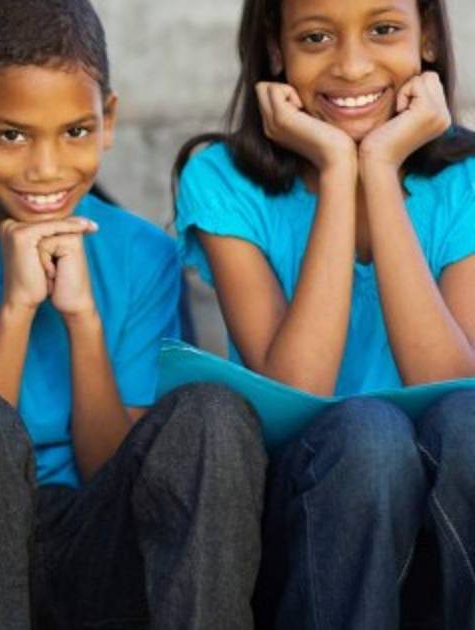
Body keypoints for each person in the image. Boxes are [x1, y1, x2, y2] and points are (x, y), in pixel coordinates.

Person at [0, 1, 268, 628]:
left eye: (76, 132)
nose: (47, 167)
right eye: (12, 135)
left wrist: (83, 319)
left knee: (213, 412)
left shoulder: (143, 253)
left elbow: (111, 467)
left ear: (108, 120)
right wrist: (17, 307)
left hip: (94, 540)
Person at [173, 0, 475, 627]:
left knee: (469, 422)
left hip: (446, 527)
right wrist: (340, 170)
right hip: (309, 524)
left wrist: (381, 169)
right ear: (276, 49)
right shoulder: (222, 178)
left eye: (383, 30)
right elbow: (300, 386)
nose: (353, 65)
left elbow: (450, 385)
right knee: (367, 435)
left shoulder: (467, 178)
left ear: (426, 38)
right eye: (315, 38)